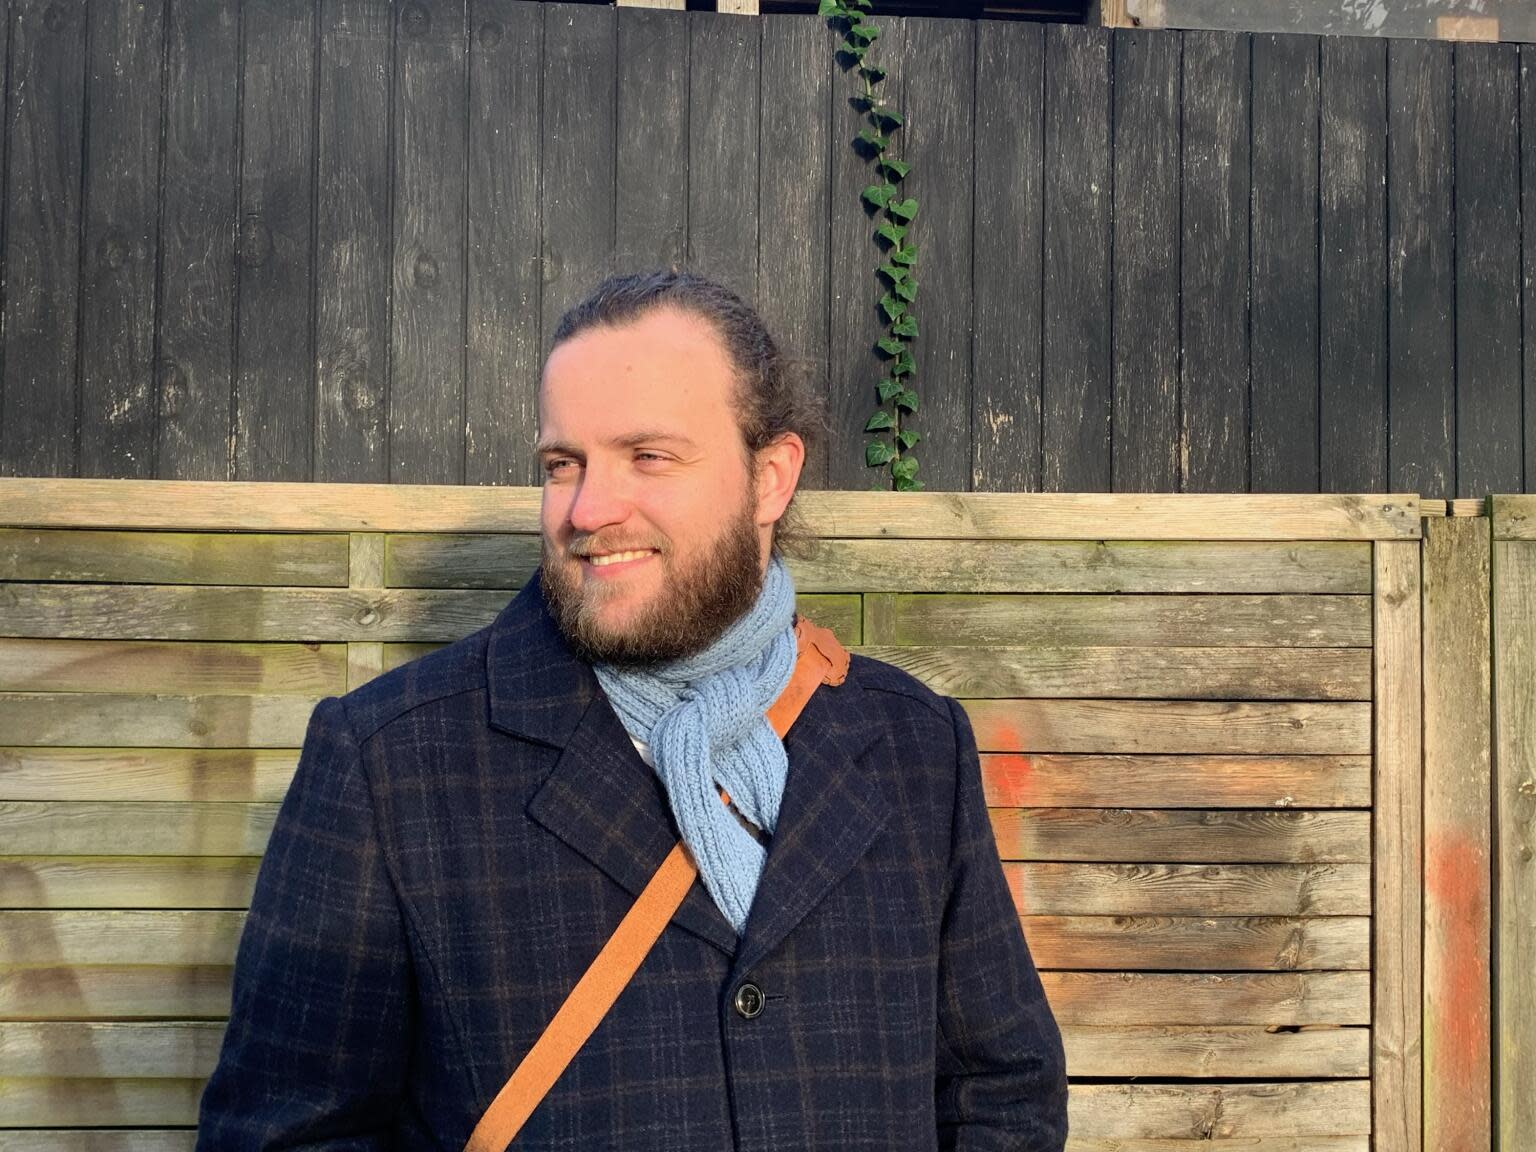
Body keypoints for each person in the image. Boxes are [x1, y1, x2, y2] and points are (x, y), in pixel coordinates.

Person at [196, 270, 1068, 1150]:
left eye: (648, 456)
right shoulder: (390, 765)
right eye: (562, 465)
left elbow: (1002, 1090)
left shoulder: (913, 744)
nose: (588, 510)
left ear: (770, 477)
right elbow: (285, 1133)